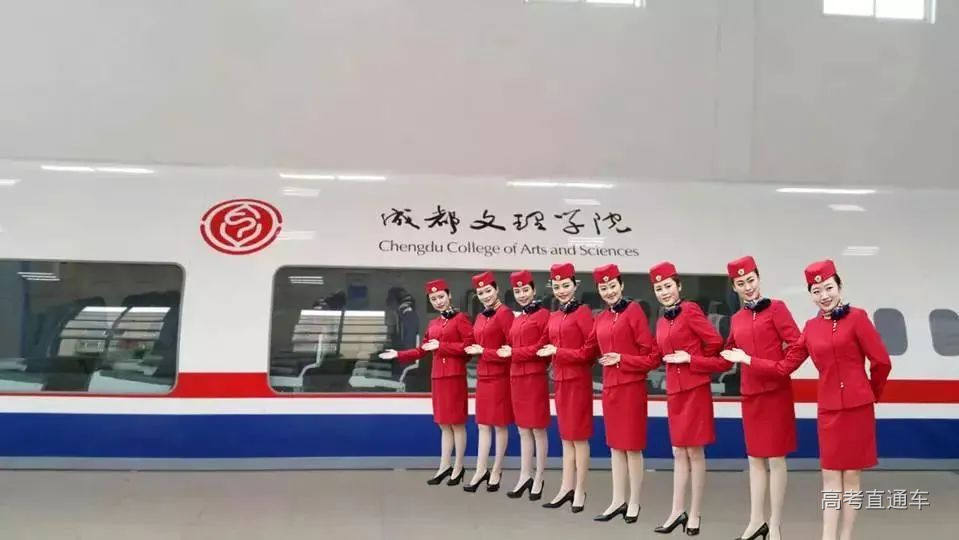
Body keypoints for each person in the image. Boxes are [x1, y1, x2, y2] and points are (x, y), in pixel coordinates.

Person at [723, 259, 891, 540]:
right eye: (816, 291)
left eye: (829, 288)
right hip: (828, 409)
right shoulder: (811, 329)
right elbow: (783, 367)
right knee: (829, 477)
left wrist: (870, 393)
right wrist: (748, 359)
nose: (824, 296)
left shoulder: (858, 318)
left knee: (851, 477)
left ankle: (845, 536)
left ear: (839, 287)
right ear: (811, 295)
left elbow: (881, 362)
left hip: (858, 408)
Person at [718, 256, 801, 540]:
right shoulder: (737, 319)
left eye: (751, 280)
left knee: (776, 459)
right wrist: (691, 358)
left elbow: (797, 345)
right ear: (734, 287)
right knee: (754, 459)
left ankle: (775, 524)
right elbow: (727, 354)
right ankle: (756, 521)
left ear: (758, 278)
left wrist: (779, 367)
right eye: (741, 283)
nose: (748, 287)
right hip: (751, 396)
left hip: (776, 394)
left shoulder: (777, 308)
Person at [651, 261, 730, 536]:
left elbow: (715, 343)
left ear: (679, 286)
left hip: (695, 389)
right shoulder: (662, 320)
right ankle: (676, 511)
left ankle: (694, 513)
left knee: (694, 452)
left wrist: (691, 359)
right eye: (659, 289)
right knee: (678, 452)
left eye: (668, 286)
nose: (664, 292)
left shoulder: (690, 310)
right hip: (674, 391)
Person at [379, 278, 474, 486]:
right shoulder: (433, 324)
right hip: (438, 377)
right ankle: (444, 466)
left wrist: (442, 346)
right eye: (433, 299)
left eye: (441, 296)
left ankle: (458, 467)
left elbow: (469, 347)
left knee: (457, 424)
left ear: (449, 296)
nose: (438, 301)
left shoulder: (461, 319)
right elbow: (422, 350)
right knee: (443, 424)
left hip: (454, 377)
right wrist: (399, 354)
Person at [536, 263, 594, 512]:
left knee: (578, 438)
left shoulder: (583, 313)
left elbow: (589, 352)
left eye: (565, 285)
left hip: (578, 381)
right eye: (557, 286)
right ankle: (565, 487)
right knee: (566, 438)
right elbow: (541, 344)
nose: (561, 290)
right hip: (560, 381)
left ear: (574, 285)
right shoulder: (555, 316)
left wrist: (559, 352)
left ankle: (580, 489)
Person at [498, 270, 550, 500]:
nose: (522, 295)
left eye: (525, 290)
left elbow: (541, 348)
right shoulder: (517, 319)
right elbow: (509, 346)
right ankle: (524, 475)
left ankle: (539, 477)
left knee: (538, 429)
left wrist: (514, 353)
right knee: (523, 430)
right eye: (517, 291)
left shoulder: (544, 315)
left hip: (534, 378)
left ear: (534, 290)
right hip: (516, 378)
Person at [463, 271, 515, 492]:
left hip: (500, 376)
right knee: (483, 425)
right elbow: (473, 342)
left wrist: (484, 351)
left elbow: (511, 350)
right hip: (483, 376)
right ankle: (480, 469)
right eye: (481, 292)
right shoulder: (481, 316)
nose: (485, 295)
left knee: (500, 425)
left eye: (488, 291)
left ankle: (496, 470)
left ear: (496, 290)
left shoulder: (505, 314)